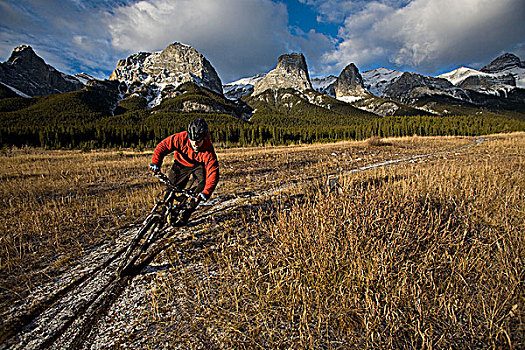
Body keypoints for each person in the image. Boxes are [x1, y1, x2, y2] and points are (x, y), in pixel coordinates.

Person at [149, 118, 219, 225]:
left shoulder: (208, 150)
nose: (195, 143)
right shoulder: (180, 138)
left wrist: (206, 192)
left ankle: (187, 213)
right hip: (180, 164)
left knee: (203, 184)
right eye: (192, 140)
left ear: (204, 138)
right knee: (171, 188)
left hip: (198, 166)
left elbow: (213, 172)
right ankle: (163, 215)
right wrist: (155, 163)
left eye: (198, 141)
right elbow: (162, 146)